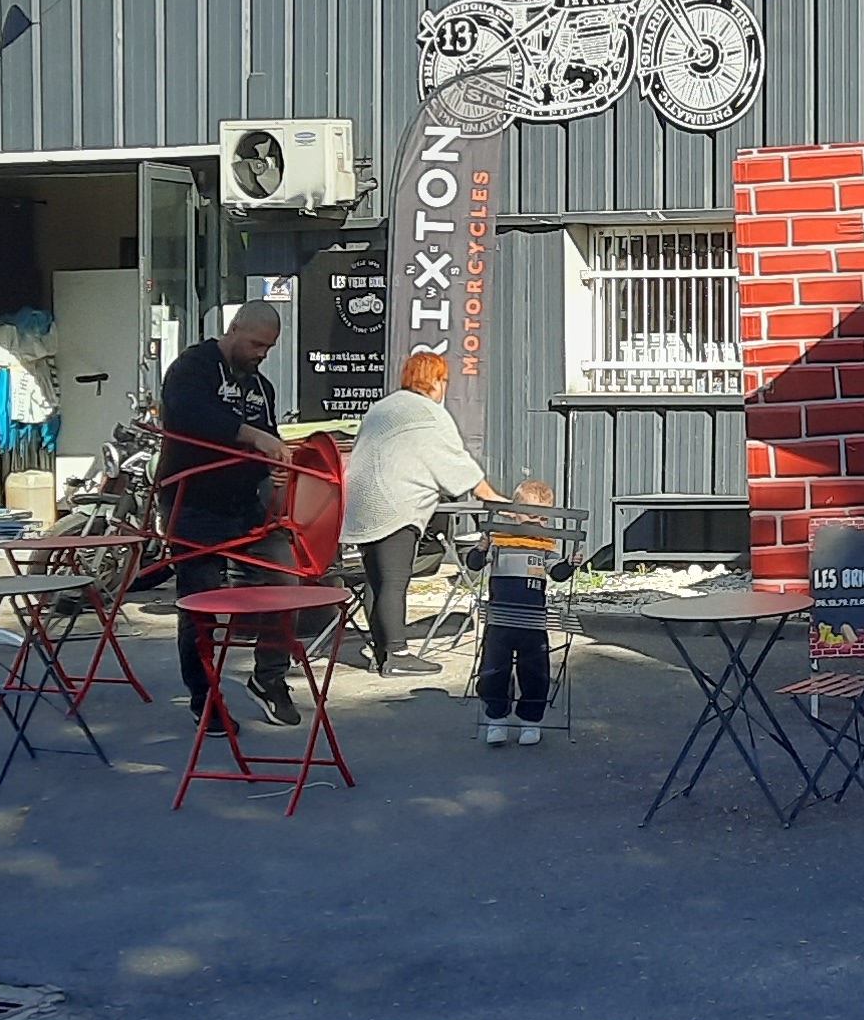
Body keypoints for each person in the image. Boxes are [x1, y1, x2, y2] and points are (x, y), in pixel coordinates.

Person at [158, 300, 304, 724]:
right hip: (194, 503)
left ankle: (269, 677)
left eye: (269, 347)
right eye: (257, 344)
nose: (262, 354)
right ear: (234, 328)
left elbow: (268, 437)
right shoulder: (192, 368)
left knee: (286, 581)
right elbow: (190, 417)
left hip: (247, 505)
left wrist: (275, 463)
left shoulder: (261, 387)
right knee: (200, 603)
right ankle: (204, 696)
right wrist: (253, 437)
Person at [339, 348, 501, 676]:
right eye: (444, 380)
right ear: (435, 381)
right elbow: (455, 462)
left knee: (376, 581)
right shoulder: (428, 413)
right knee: (394, 581)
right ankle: (398, 655)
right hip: (395, 508)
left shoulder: (382, 408)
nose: (445, 388)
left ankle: (383, 653)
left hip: (362, 506)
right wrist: (492, 497)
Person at [475, 476, 564, 748]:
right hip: (500, 618)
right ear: (514, 513)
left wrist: (571, 564)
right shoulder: (500, 540)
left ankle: (531, 721)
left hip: (533, 621)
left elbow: (558, 572)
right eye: (529, 515)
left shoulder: (545, 544)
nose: (534, 522)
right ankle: (496, 719)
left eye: (541, 517)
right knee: (493, 671)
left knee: (535, 672)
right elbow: (475, 563)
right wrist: (480, 548)